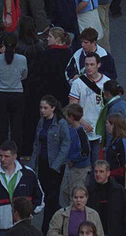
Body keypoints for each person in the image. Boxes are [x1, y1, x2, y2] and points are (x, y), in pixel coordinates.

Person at [0, 140, 44, 234]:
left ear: (15, 156)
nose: (2, 159)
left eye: (6, 156)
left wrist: (28, 212)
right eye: (0, 156)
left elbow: (40, 197)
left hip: (23, 230)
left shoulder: (28, 174)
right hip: (0, 229)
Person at [33, 95, 72, 232]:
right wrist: (33, 164)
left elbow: (66, 144)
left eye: (45, 108)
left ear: (53, 108)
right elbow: (37, 144)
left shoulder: (61, 123)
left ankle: (46, 228)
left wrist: (56, 164)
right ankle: (62, 220)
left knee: (51, 197)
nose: (42, 110)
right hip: (43, 164)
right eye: (41, 107)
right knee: (47, 197)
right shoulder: (41, 122)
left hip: (55, 167)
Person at [68, 52, 110, 165]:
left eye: (92, 64)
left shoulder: (107, 82)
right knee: (83, 163)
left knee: (97, 163)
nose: (89, 67)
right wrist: (82, 121)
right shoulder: (77, 83)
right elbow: (72, 106)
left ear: (98, 65)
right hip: (82, 129)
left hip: (100, 130)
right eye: (86, 65)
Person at [0, 31, 28, 154]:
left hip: (1, 95)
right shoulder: (22, 59)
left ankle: (0, 156)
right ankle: (15, 157)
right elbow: (24, 75)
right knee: (16, 129)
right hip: (17, 94)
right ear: (15, 45)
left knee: (1, 130)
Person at [87, 160, 126, 236]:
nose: (98, 174)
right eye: (96, 172)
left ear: (108, 173)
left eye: (101, 171)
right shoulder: (89, 191)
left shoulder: (119, 190)